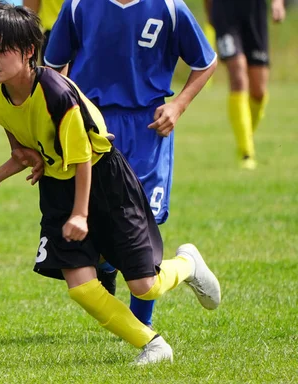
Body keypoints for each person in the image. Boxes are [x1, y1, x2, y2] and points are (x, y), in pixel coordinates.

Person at [0, 3, 221, 365]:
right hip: (59, 187)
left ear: (29, 51)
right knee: (81, 285)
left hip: (104, 177)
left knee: (145, 283)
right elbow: (31, 151)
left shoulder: (58, 95)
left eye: (2, 50)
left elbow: (84, 156)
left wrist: (80, 214)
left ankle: (187, 264)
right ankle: (152, 343)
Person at [43, 0, 217, 328]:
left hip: (146, 128)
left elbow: (205, 61)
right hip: (92, 125)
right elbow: (53, 69)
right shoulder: (78, 6)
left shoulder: (170, 8)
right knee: (100, 220)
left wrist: (178, 105)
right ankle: (118, 273)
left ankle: (143, 326)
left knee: (141, 228)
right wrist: (57, 123)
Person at [205, 0, 285, 169]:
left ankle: (245, 136)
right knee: (238, 75)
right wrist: (210, 13)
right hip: (225, 12)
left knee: (259, 92)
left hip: (255, 13)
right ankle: (246, 152)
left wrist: (278, 3)